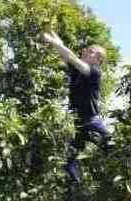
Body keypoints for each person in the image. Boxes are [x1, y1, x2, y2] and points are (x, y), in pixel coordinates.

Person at [40, 31, 112, 185]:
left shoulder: (95, 72)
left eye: (91, 51)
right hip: (77, 125)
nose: (86, 51)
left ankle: (114, 178)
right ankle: (76, 188)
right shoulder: (78, 71)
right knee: (69, 161)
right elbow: (67, 54)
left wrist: (52, 41)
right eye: (88, 50)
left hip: (91, 122)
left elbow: (71, 57)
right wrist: (52, 33)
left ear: (98, 60)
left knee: (112, 145)